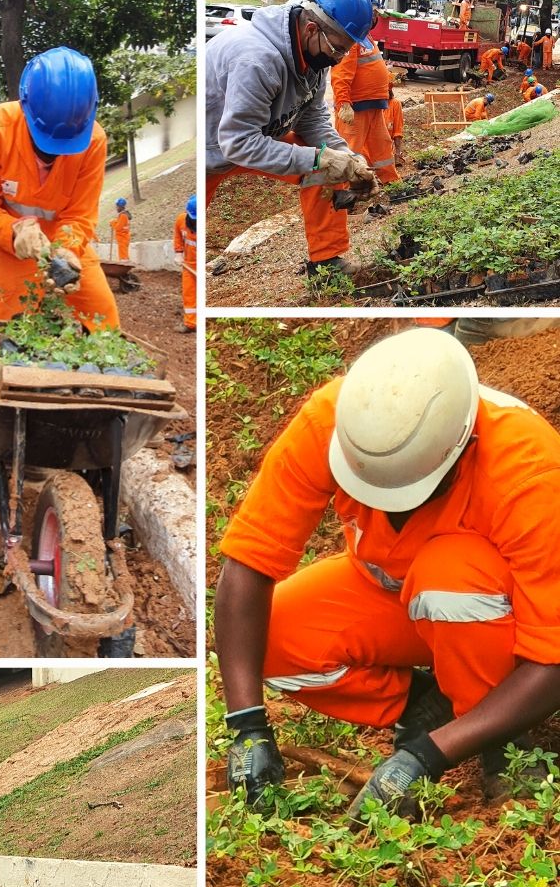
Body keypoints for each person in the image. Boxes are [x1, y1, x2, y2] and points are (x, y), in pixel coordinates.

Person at [215, 328, 560, 819]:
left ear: (464, 450)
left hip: (494, 617)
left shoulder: (529, 471)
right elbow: (249, 562)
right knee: (275, 635)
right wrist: (246, 726)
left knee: (450, 576)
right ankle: (429, 704)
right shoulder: (336, 420)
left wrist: (428, 756)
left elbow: (552, 659)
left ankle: (506, 743)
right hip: (398, 599)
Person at [206, 0, 381, 282]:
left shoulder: (315, 57)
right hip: (212, 151)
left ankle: (326, 264)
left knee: (331, 165)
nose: (339, 58)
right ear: (312, 29)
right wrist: (318, 159)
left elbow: (312, 121)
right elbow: (238, 143)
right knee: (189, 228)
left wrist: (349, 159)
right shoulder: (257, 60)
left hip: (256, 137)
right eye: (338, 48)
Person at [0, 46, 120, 332]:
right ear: (24, 106)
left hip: (66, 244)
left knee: (103, 317)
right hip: (9, 244)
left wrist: (69, 251)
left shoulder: (94, 141)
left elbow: (80, 214)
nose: (54, 153)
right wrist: (14, 231)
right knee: (14, 329)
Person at [332, 24, 399, 184]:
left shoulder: (365, 37)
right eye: (373, 12)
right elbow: (341, 74)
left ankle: (390, 181)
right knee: (349, 149)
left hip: (374, 104)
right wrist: (344, 103)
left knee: (382, 145)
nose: (375, 17)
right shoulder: (350, 39)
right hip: (355, 108)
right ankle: (344, 190)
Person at [172, 196, 197, 333]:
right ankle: (191, 323)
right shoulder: (181, 220)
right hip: (188, 265)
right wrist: (178, 252)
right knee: (189, 294)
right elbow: (177, 235)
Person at [385, 76, 404, 165]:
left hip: (386, 149)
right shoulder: (371, 106)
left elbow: (397, 131)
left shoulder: (395, 104)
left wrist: (397, 153)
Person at [109, 197, 131, 261]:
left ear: (121, 207)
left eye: (117, 206)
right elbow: (120, 223)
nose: (116, 208)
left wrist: (112, 223)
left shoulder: (123, 216)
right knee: (124, 254)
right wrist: (114, 221)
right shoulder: (123, 215)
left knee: (123, 256)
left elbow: (118, 227)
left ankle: (124, 266)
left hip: (122, 237)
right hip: (123, 237)